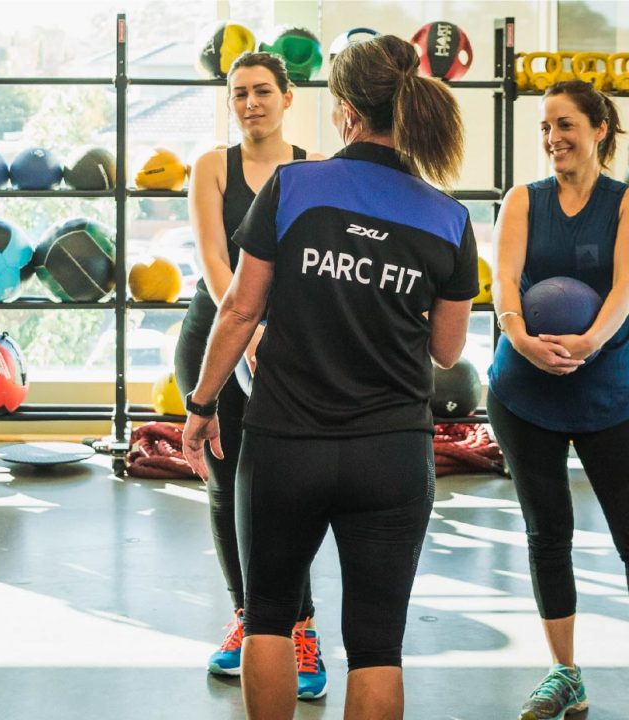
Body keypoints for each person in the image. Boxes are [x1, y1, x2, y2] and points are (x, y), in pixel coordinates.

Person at [183, 35, 476, 720]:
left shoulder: (294, 186)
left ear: (344, 112)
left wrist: (201, 407)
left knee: (269, 619)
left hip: (288, 445)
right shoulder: (449, 217)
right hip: (392, 455)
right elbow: (446, 349)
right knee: (377, 646)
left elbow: (239, 310)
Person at [173, 51, 327, 699]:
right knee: (225, 481)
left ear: (289, 97)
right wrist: (248, 331)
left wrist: (278, 334)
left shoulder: (315, 170)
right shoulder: (213, 167)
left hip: (284, 346)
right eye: (239, 93)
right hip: (219, 335)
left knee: (289, 488)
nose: (250, 103)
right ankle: (246, 615)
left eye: (263, 91)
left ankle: (301, 626)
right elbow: (215, 262)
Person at [487, 79, 628, 720]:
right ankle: (565, 673)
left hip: (610, 390)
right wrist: (520, 338)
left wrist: (592, 342)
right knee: (548, 534)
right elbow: (505, 284)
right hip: (525, 389)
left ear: (600, 128)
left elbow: (626, 289)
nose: (553, 139)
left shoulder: (625, 204)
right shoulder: (523, 199)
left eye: (566, 125)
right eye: (546, 127)